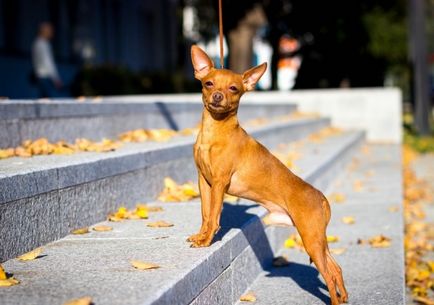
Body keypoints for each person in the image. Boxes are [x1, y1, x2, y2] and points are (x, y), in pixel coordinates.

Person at [32, 22, 63, 98]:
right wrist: (56, 78)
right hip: (45, 76)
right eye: (50, 31)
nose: (52, 33)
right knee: (47, 99)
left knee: (43, 98)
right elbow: (48, 62)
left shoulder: (36, 43)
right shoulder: (43, 44)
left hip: (40, 75)